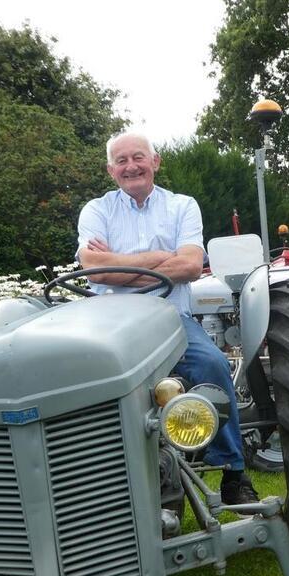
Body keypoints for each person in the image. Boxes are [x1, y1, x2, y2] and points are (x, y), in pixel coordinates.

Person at [76, 132, 258, 507]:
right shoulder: (96, 210)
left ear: (155, 162)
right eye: (122, 161)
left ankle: (232, 470)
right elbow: (93, 270)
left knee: (212, 365)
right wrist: (160, 258)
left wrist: (119, 263)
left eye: (138, 157)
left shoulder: (181, 206)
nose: (131, 166)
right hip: (109, 324)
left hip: (168, 319)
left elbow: (190, 265)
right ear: (111, 170)